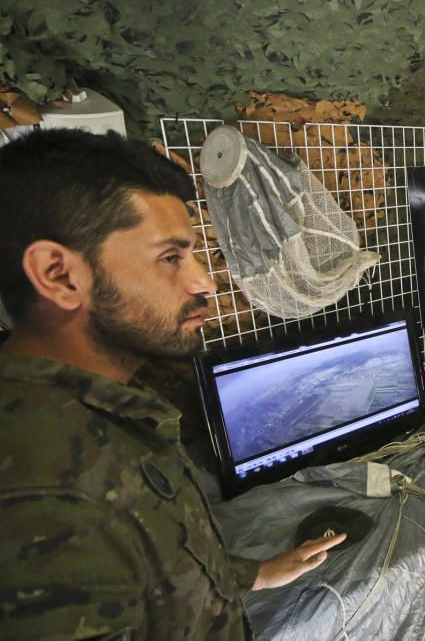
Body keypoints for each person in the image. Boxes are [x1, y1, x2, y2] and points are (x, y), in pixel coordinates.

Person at [0, 129, 345, 639]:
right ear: (58, 274)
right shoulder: (42, 496)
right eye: (170, 258)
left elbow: (163, 558)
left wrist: (255, 573)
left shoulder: (105, 402)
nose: (205, 281)